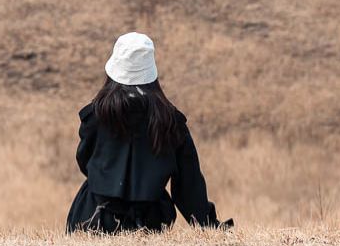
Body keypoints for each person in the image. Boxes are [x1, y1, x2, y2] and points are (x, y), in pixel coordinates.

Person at [66, 32, 230, 233]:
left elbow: (85, 161)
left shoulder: (96, 115)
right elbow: (188, 184)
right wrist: (208, 224)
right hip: (150, 222)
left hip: (93, 218)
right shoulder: (171, 121)